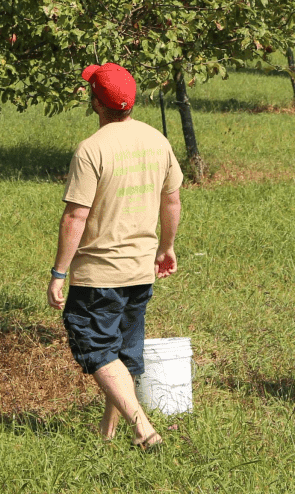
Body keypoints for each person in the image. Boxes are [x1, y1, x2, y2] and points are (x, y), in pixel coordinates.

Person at [48, 62, 182, 451]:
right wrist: (166, 247)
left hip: (99, 274)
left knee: (95, 349)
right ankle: (107, 435)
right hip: (141, 270)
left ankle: (144, 429)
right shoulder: (158, 140)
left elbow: (76, 215)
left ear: (95, 103)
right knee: (120, 353)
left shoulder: (92, 149)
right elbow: (171, 198)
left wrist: (59, 272)